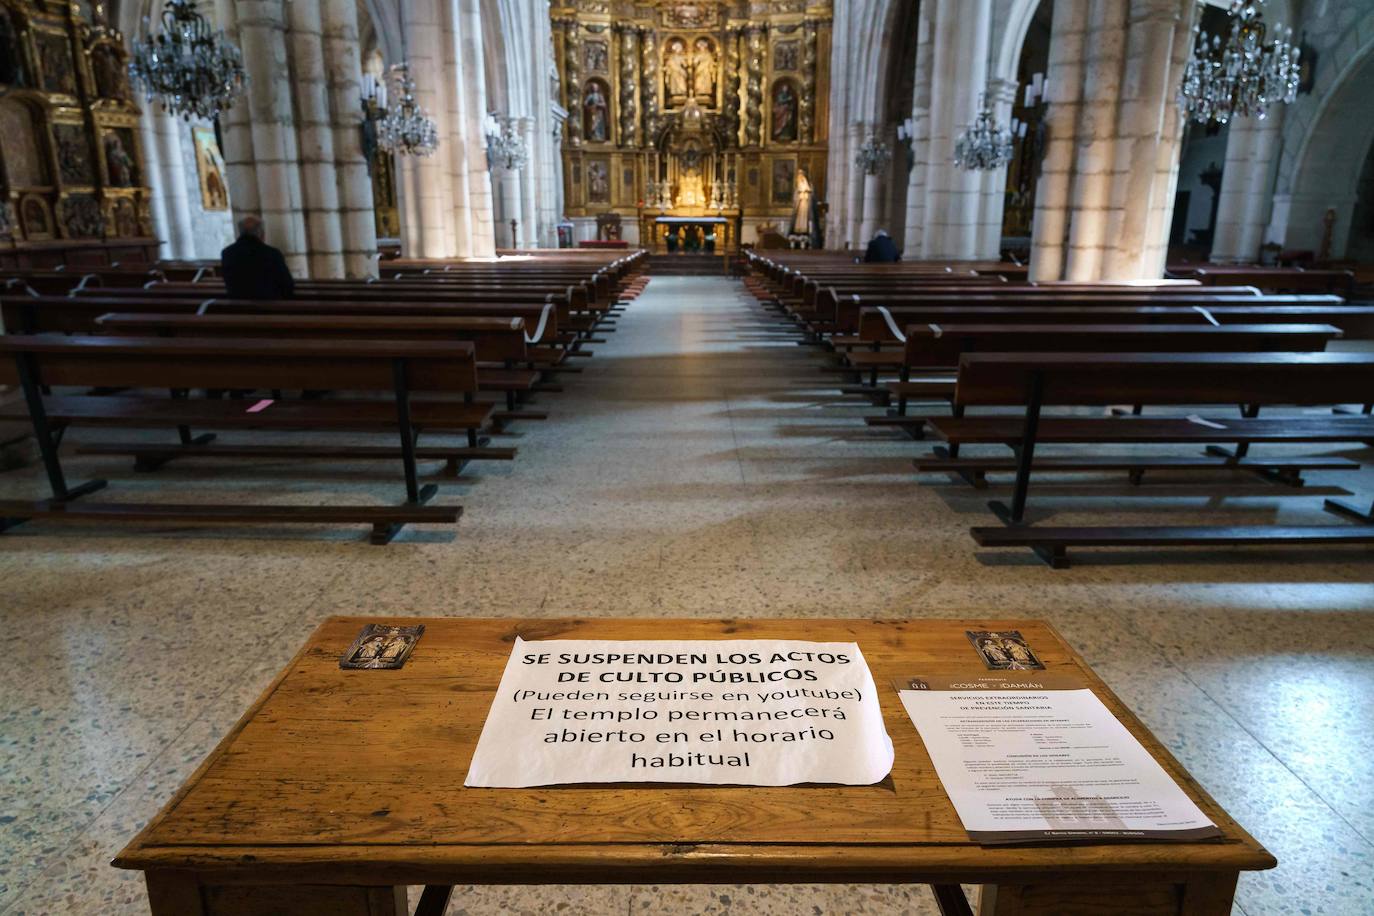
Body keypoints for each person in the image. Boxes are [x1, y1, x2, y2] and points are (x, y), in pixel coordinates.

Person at [221, 216, 294, 300]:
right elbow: (287, 285)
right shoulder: (273, 254)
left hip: (237, 307)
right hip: (270, 307)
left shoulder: (227, 253)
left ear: (240, 233)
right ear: (262, 234)